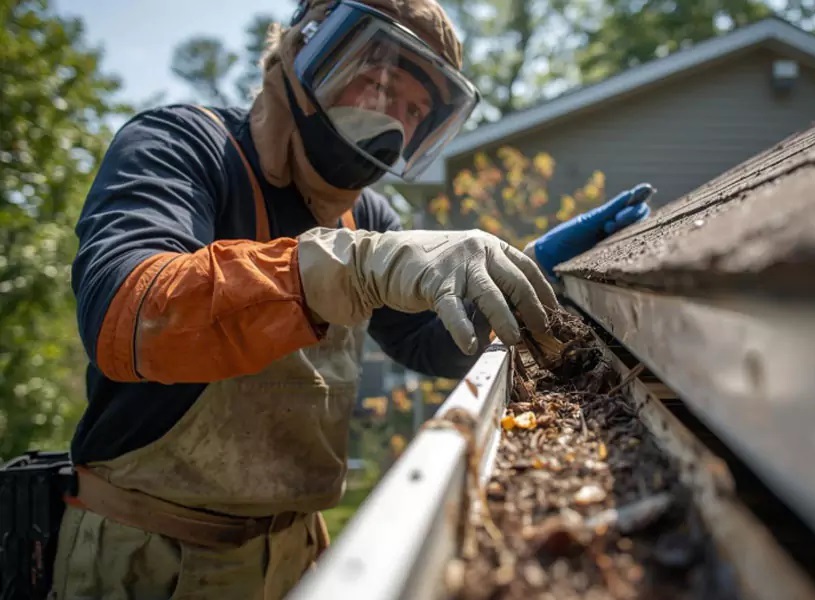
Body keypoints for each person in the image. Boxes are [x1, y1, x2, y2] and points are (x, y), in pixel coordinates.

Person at [51, 0, 651, 598]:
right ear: (309, 54)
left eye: (416, 112)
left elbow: (432, 345)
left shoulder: (364, 213)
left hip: (298, 556)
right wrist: (351, 265)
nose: (395, 124)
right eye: (382, 82)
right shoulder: (181, 146)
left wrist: (527, 268)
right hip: (148, 558)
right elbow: (127, 313)